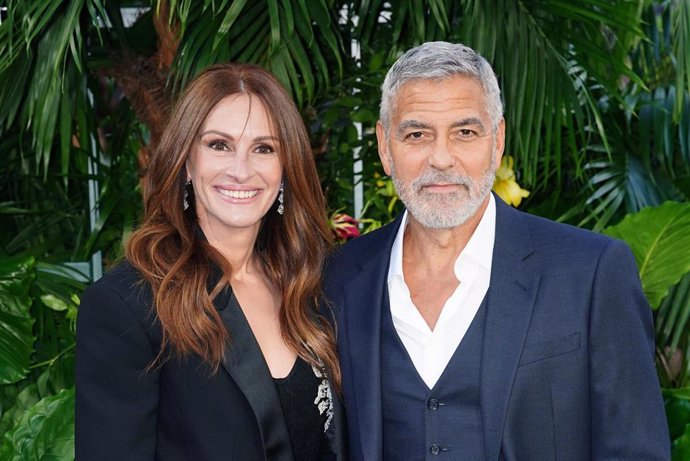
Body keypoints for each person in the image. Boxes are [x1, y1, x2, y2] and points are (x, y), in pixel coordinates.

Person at [324, 41, 670, 460]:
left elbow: (635, 450)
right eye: (416, 134)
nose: (441, 158)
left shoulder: (590, 272)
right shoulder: (338, 278)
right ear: (385, 146)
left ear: (498, 139)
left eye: (465, 132)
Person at [76, 63, 346, 460]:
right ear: (186, 161)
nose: (241, 170)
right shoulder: (128, 306)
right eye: (219, 145)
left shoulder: (309, 284)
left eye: (264, 148)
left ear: (285, 169)